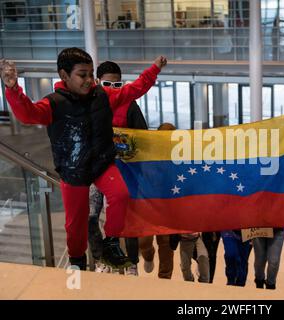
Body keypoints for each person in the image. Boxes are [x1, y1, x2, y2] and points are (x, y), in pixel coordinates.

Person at [0, 48, 167, 270]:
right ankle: (77, 261)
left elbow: (133, 90)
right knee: (75, 225)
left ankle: (111, 243)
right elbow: (27, 114)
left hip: (102, 164)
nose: (89, 80)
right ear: (64, 75)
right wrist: (12, 88)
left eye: (91, 74)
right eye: (82, 74)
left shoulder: (102, 96)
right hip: (73, 171)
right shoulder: (54, 103)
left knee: (120, 194)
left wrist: (154, 69)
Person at [88, 60, 154, 275]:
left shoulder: (129, 104)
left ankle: (132, 262)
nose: (112, 90)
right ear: (97, 82)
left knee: (127, 219)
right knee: (89, 216)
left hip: (124, 172)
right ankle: (102, 258)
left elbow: (143, 138)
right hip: (94, 172)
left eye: (117, 86)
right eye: (107, 84)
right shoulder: (86, 104)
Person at [138, 122, 176, 279]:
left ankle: (164, 279)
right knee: (144, 243)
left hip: (169, 210)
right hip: (148, 207)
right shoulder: (147, 156)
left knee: (166, 245)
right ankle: (148, 256)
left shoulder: (179, 158)